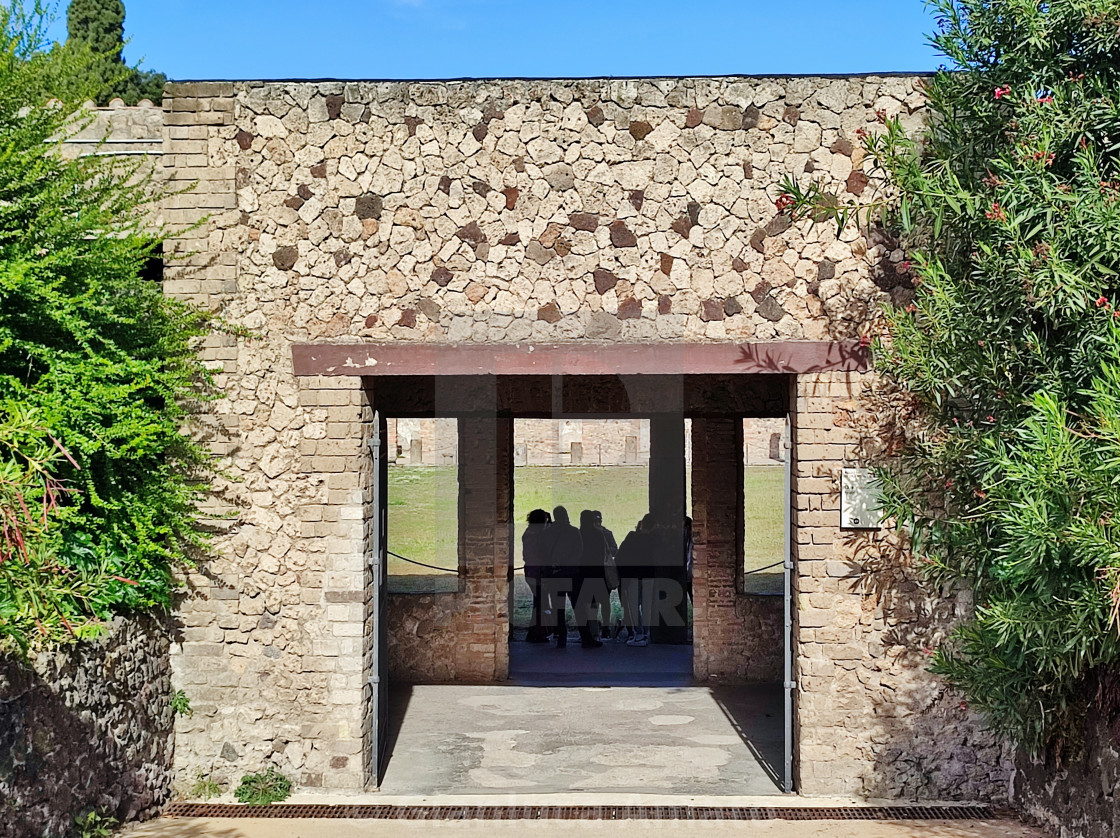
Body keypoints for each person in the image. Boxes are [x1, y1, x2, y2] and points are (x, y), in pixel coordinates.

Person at [540, 505, 588, 648]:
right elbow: (579, 552)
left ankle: (561, 637)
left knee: (558, 608)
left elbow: (543, 554)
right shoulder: (574, 532)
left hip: (554, 575)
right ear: (566, 516)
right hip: (571, 574)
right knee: (578, 606)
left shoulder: (547, 533)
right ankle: (586, 637)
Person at [615, 514, 655, 646]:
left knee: (633, 606)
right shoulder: (655, 540)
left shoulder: (632, 537)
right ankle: (646, 633)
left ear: (642, 524)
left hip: (632, 576)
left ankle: (639, 634)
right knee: (647, 606)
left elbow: (620, 555)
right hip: (649, 577)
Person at [577, 510, 608, 648]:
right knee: (594, 605)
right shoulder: (598, 534)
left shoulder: (578, 534)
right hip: (596, 573)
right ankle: (594, 634)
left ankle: (584, 634)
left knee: (582, 605)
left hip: (581, 574)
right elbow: (602, 555)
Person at [521, 509, 551, 643]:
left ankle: (535, 632)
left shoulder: (529, 533)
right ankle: (537, 633)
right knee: (541, 603)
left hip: (530, 570)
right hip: (539, 571)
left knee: (538, 602)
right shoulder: (539, 535)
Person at [593, 510, 618, 638]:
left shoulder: (603, 534)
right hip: (604, 571)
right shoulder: (606, 533)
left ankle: (598, 628)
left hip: (597, 572)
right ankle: (605, 627)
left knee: (596, 601)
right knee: (603, 601)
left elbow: (614, 550)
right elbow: (615, 550)